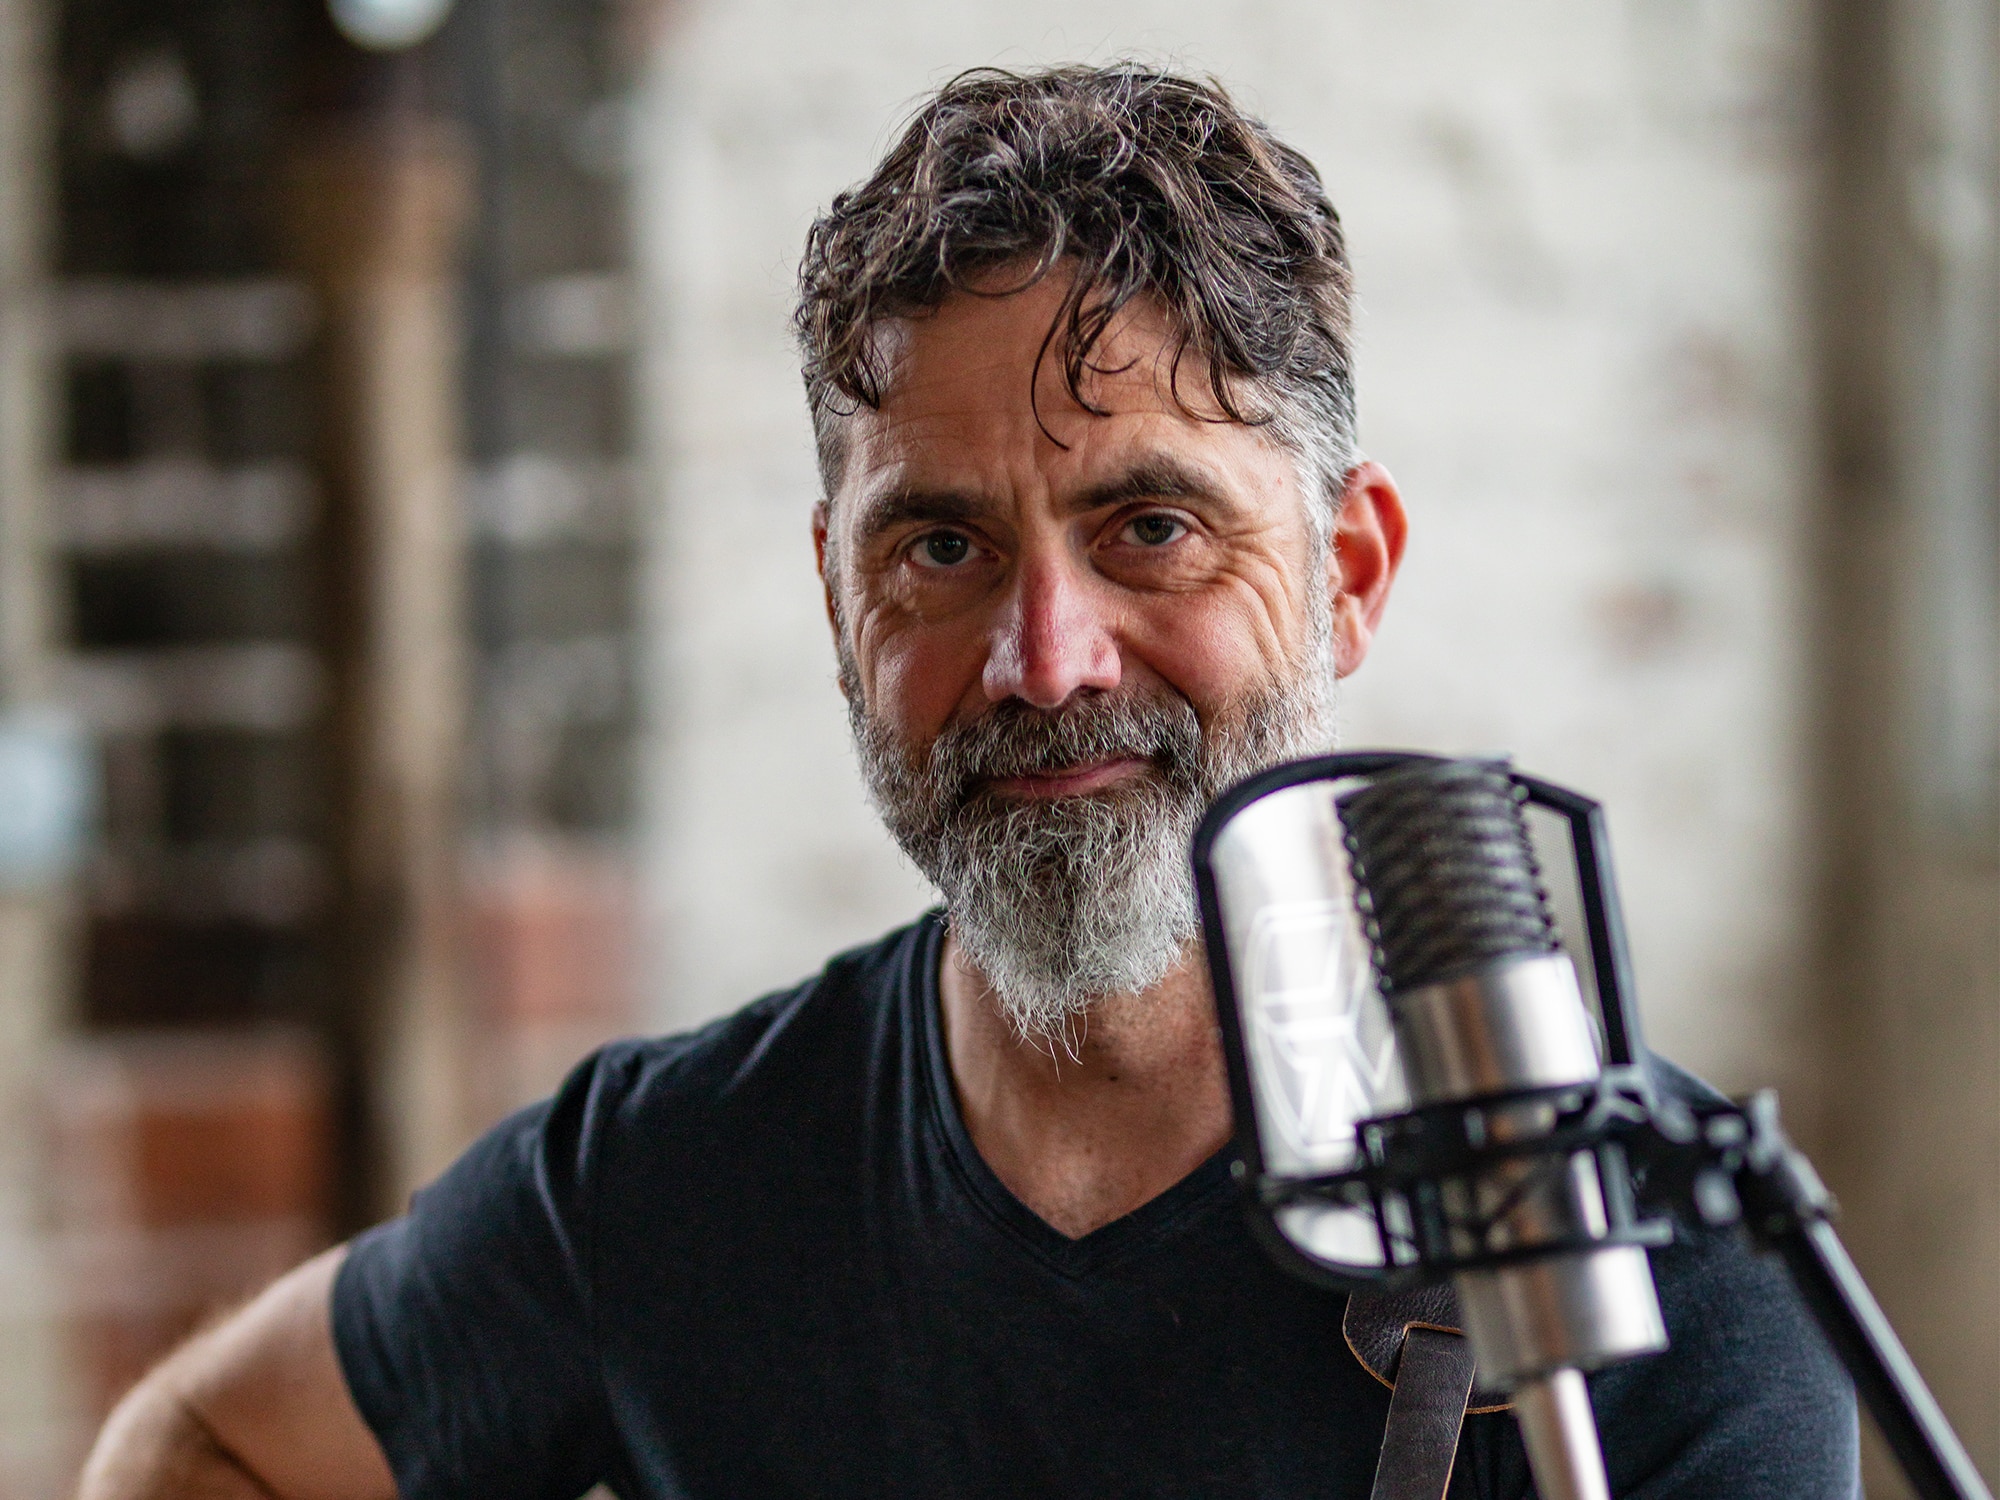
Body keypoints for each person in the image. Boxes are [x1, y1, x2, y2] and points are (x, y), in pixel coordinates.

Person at [80, 64, 1857, 1500]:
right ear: (839, 597)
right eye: (937, 546)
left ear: (1354, 573)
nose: (1045, 658)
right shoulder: (676, 1188)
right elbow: (209, 1446)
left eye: (1149, 528)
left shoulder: (1660, 1285)